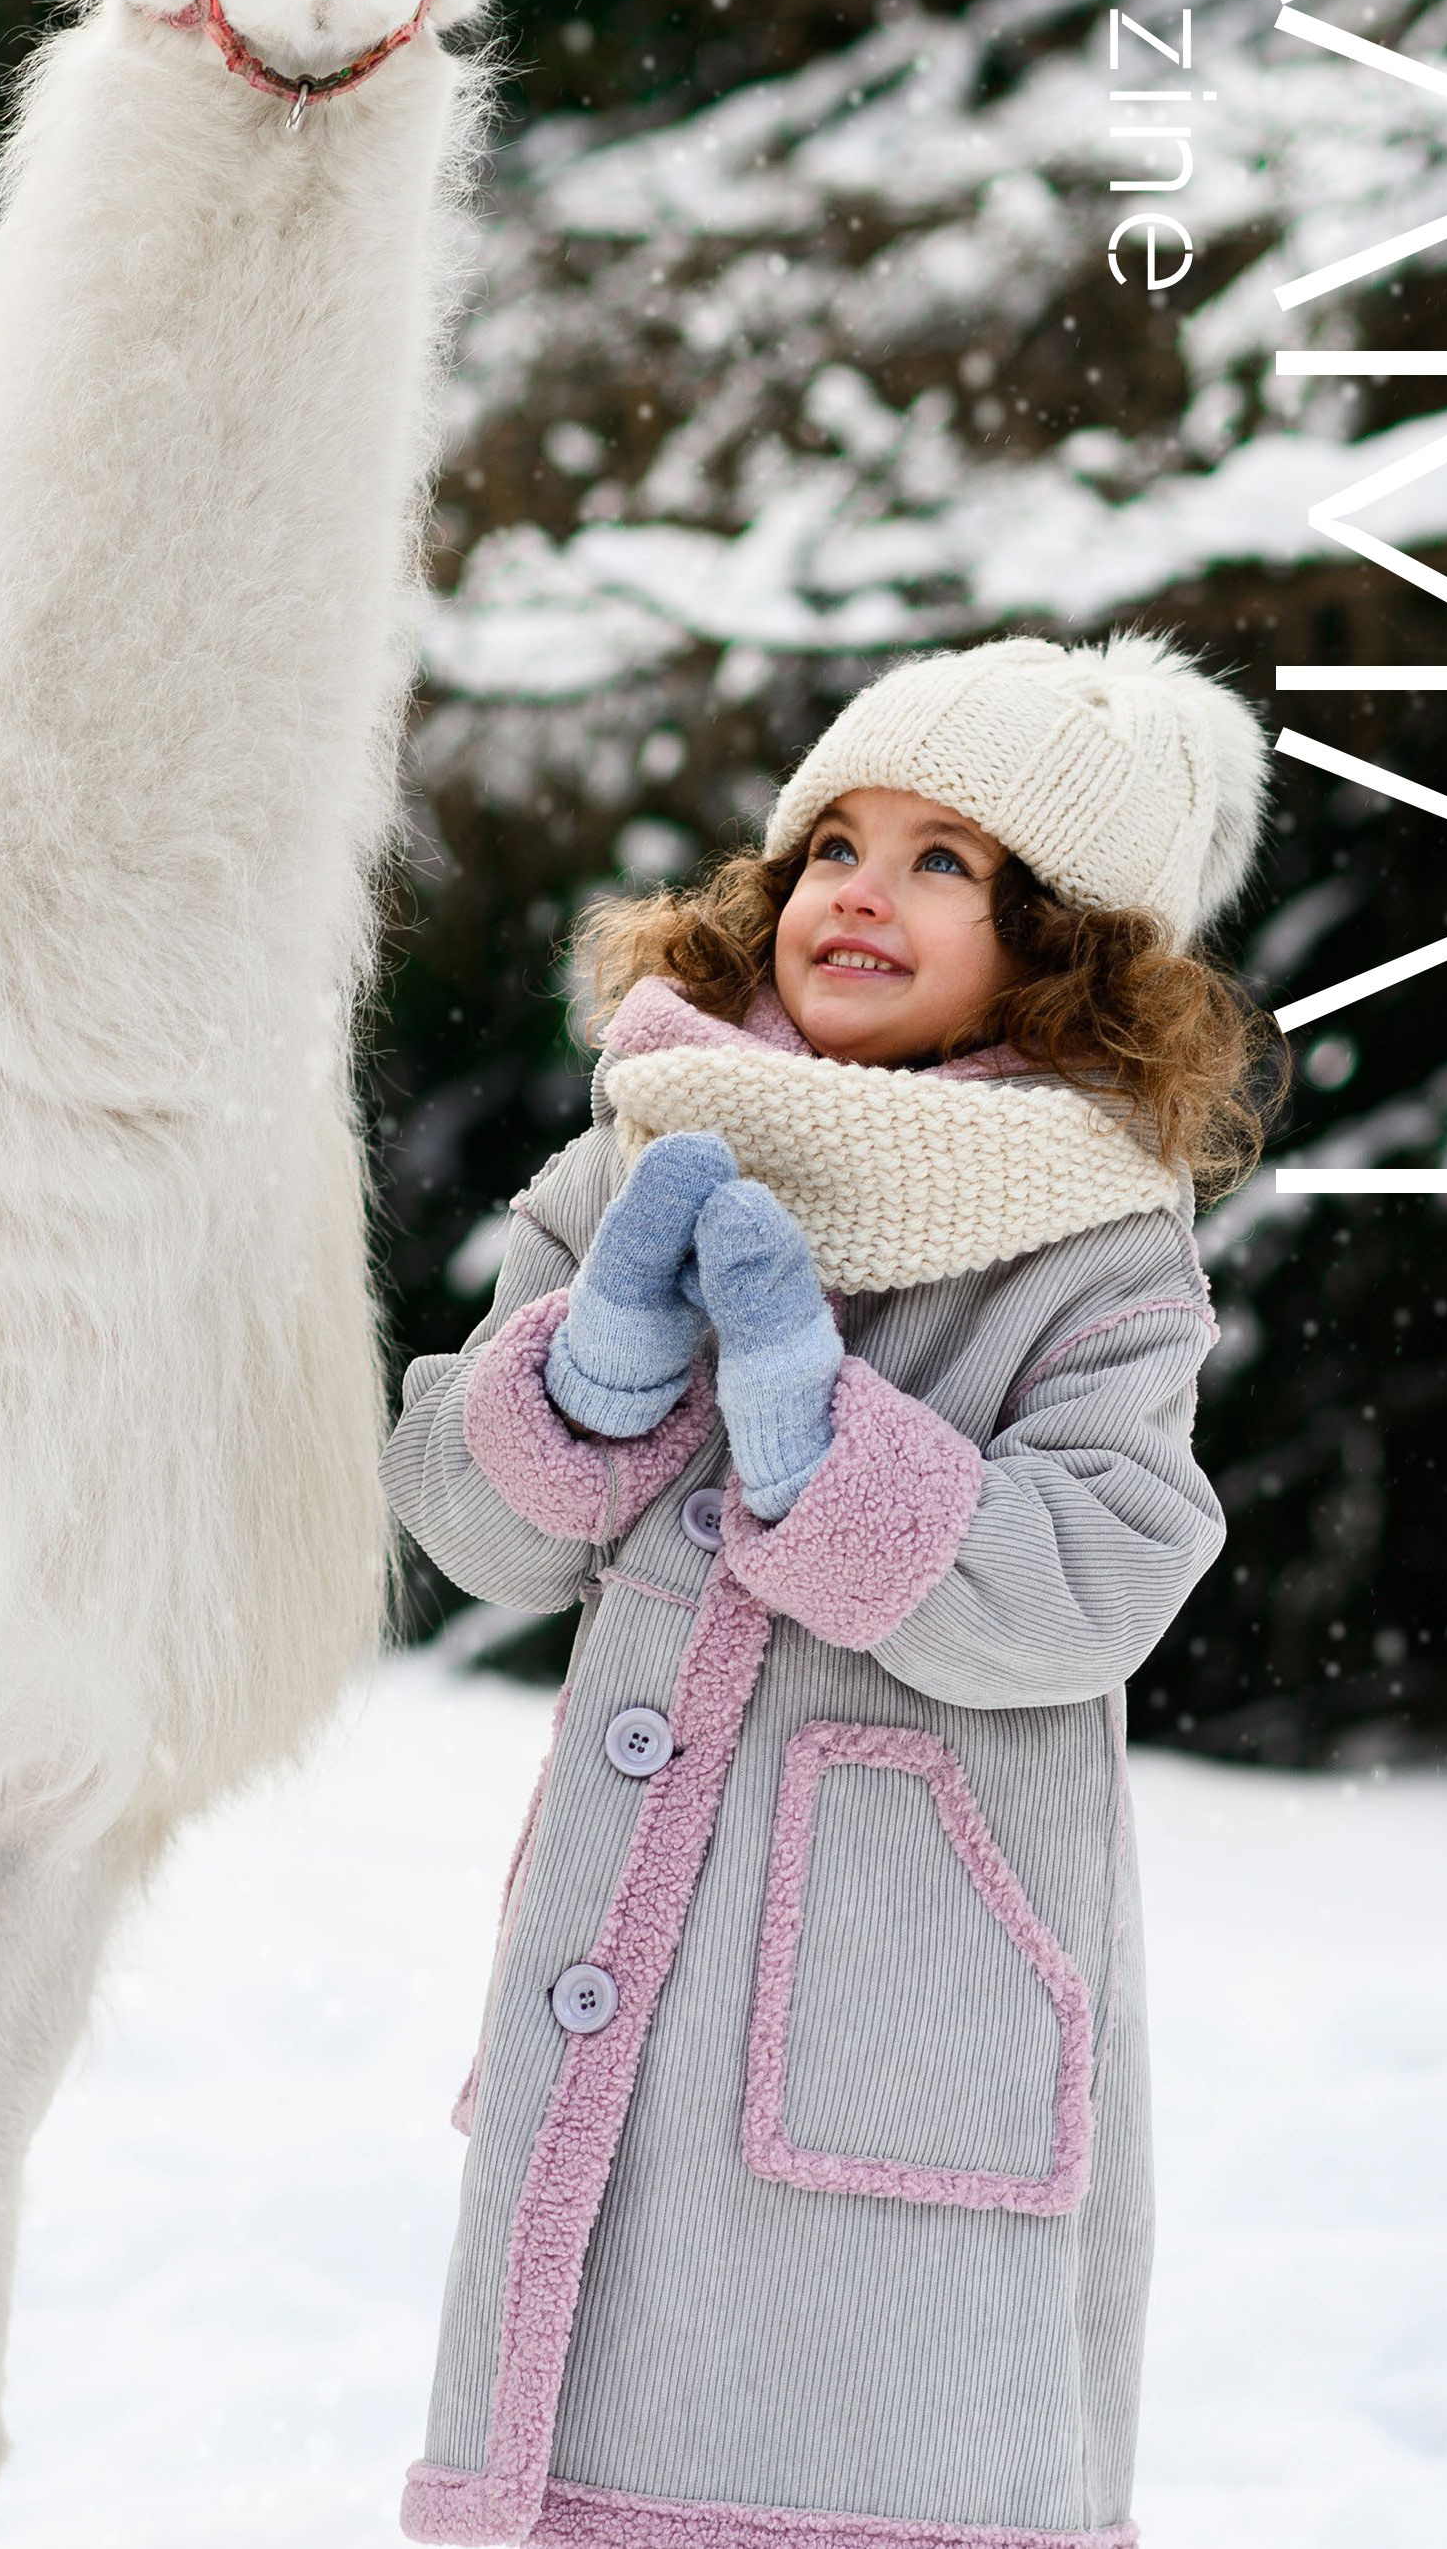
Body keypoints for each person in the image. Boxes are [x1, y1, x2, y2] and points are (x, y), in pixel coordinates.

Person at [387, 631, 1282, 2549]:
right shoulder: (634, 1155)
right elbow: (474, 1528)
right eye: (830, 847)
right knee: (597, 2446)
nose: (856, 893)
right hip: (646, 1957)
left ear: (1057, 942)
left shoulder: (1096, 1250)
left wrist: (823, 1445)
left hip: (916, 1989)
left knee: (883, 2466)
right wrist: (586, 1383)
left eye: (941, 861)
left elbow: (1094, 1580)